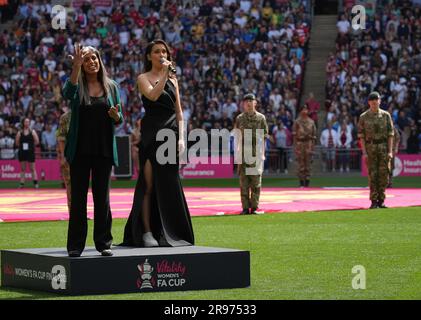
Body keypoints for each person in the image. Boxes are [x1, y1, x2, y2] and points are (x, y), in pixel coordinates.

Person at [122, 39, 194, 247]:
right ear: (148, 56)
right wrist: (163, 74)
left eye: (164, 51)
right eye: (157, 51)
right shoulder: (143, 78)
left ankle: (171, 231)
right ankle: (146, 231)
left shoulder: (174, 80)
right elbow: (153, 96)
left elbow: (179, 111)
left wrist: (182, 138)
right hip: (152, 133)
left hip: (171, 134)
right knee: (149, 184)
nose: (162, 54)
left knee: (170, 183)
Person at [62, 43, 124, 257]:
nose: (91, 62)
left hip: (104, 150)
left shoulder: (112, 86)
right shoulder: (76, 85)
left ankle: (104, 243)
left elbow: (120, 117)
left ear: (100, 61)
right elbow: (66, 93)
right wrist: (75, 67)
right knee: (78, 199)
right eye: (87, 59)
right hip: (79, 150)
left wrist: (117, 117)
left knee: (102, 198)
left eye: (94, 58)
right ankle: (75, 246)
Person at [358, 91, 394, 209]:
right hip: (371, 147)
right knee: (373, 175)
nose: (374, 103)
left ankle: (381, 200)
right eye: (372, 101)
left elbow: (390, 134)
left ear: (379, 101)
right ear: (369, 102)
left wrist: (390, 151)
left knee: (384, 175)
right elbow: (361, 136)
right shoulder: (363, 117)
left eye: (376, 100)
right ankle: (374, 201)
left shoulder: (386, 115)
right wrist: (364, 152)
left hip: (383, 147)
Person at [235, 93, 268, 215]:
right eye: (246, 101)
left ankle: (254, 207)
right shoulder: (239, 118)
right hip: (243, 152)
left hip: (256, 153)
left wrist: (263, 153)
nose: (248, 103)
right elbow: (237, 137)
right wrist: (237, 155)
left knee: (255, 183)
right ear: (243, 104)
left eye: (251, 100)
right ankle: (245, 208)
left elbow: (264, 137)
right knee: (244, 182)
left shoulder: (261, 118)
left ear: (255, 103)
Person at [292, 105, 316, 187]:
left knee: (308, 163)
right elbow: (294, 135)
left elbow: (314, 136)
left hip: (308, 143)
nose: (305, 111)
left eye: (306, 109)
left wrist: (313, 147)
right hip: (300, 143)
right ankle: (301, 182)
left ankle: (307, 182)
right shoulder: (297, 122)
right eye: (303, 109)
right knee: (300, 163)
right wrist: (295, 147)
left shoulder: (311, 122)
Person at [15, 118, 40, 189]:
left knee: (32, 168)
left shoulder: (32, 131)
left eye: (28, 122)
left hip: (30, 152)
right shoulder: (20, 132)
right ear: (23, 123)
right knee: (23, 168)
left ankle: (35, 183)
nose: (27, 123)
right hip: (22, 152)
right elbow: (17, 143)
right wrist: (22, 146)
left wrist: (31, 146)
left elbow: (37, 141)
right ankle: (21, 184)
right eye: (26, 122)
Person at [56, 107, 72, 212]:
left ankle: (79, 212)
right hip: (69, 156)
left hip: (83, 156)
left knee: (80, 186)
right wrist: (63, 156)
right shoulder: (65, 117)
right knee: (70, 184)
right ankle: (73, 212)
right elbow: (61, 138)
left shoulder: (85, 114)